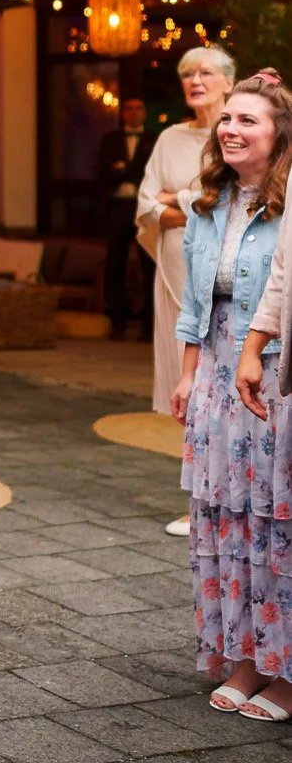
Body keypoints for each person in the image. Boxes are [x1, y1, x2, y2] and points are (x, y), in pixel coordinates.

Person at [170, 73, 292, 722]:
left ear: (278, 136)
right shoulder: (206, 202)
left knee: (278, 525)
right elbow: (195, 301)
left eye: (248, 120)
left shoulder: (289, 206)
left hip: (271, 379)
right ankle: (244, 659)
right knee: (227, 522)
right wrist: (188, 373)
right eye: (228, 119)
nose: (231, 129)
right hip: (217, 372)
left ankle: (286, 672)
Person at [139, 47, 235, 532]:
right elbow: (144, 205)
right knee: (183, 386)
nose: (195, 80)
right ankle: (198, 497)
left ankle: (218, 499)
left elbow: (227, 201)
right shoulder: (169, 138)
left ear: (228, 82)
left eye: (205, 72)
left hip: (223, 275)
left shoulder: (236, 133)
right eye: (186, 74)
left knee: (218, 381)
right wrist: (194, 203)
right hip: (173, 273)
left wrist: (175, 199)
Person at [100, 95, 151, 338]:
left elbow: (150, 173)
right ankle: (117, 324)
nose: (133, 112)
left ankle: (148, 326)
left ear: (144, 112)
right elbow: (102, 171)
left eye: (138, 107)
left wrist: (123, 169)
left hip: (143, 206)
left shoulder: (154, 140)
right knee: (115, 264)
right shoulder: (109, 139)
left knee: (148, 265)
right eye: (128, 109)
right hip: (117, 206)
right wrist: (129, 171)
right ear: (122, 114)